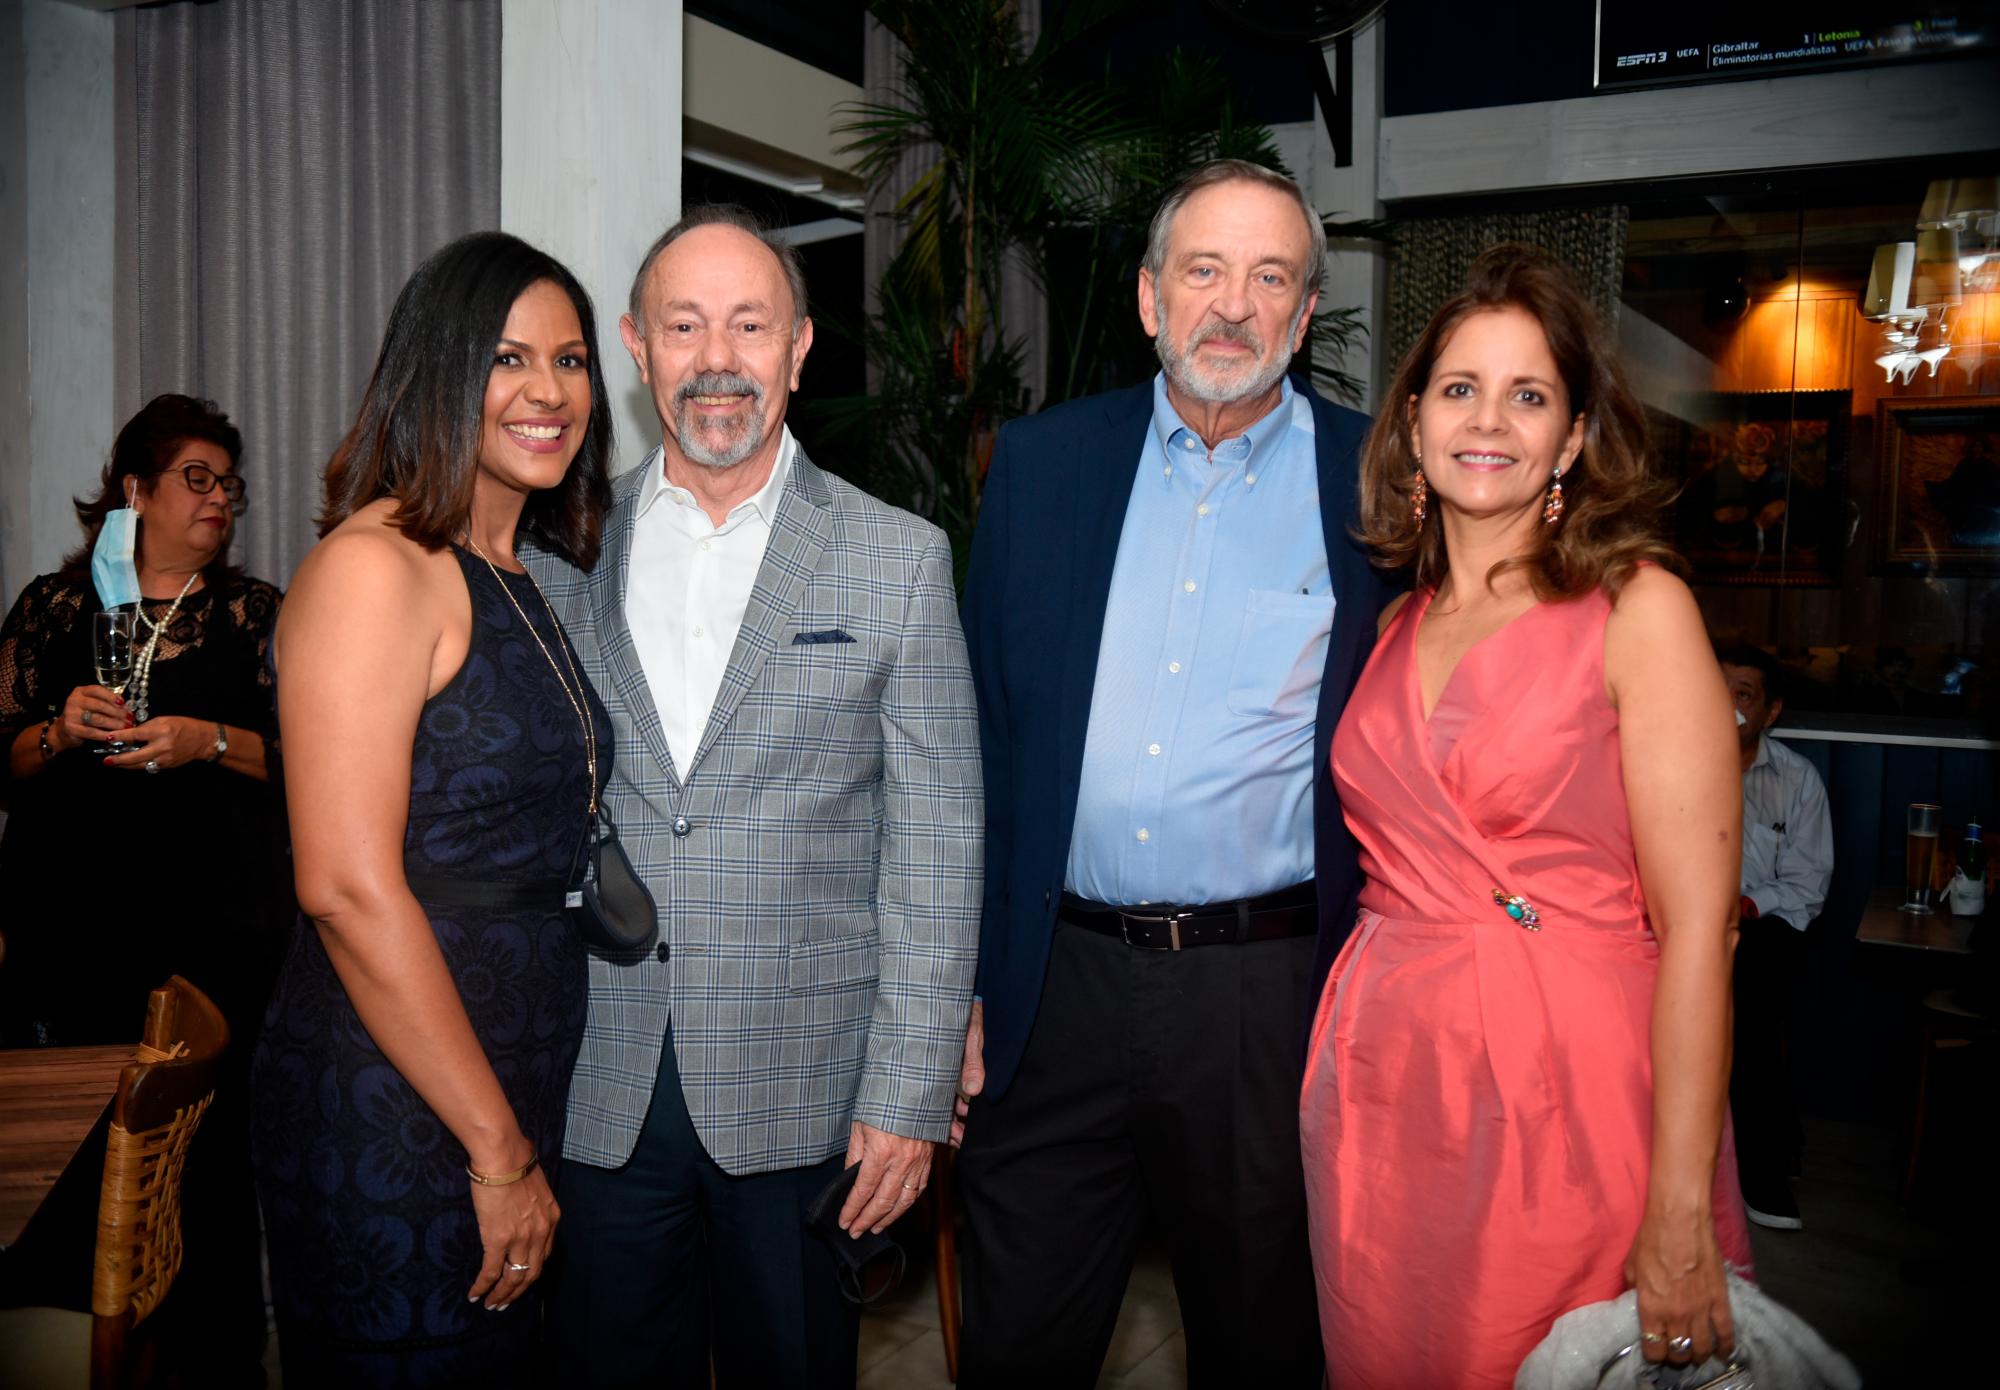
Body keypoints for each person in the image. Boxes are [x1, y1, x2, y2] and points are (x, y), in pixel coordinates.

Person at [522, 204, 980, 1388]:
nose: (715, 357)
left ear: (799, 346)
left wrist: (908, 1093)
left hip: (807, 1089)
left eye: (747, 323)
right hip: (597, 1079)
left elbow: (935, 846)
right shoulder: (560, 550)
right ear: (635, 346)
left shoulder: (896, 557)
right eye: (683, 325)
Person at [953, 159, 1389, 1387]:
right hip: (1051, 993)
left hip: (1260, 999)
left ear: (1304, 317)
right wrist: (962, 986)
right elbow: (977, 740)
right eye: (1202, 270)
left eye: (1268, 279)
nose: (1231, 307)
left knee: (1262, 1340)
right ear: (1150, 297)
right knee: (1015, 1345)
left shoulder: (1377, 488)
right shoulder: (1037, 469)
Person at [1301, 243, 1755, 1388]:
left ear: (1571, 435)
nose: (1486, 419)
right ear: (1410, 425)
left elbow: (1698, 932)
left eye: (1527, 394)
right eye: (1458, 388)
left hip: (1565, 1091)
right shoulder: (1391, 624)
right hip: (1380, 1093)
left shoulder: (1636, 606)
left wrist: (1677, 1209)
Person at [249, 231, 614, 1387]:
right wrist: (496, 1150)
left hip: (499, 1074)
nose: (547, 391)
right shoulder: (379, 565)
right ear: (439, 370)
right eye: (508, 359)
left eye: (569, 359)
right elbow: (347, 888)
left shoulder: (511, 570)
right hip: (398, 1100)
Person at [0, 392, 285, 1381]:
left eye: (228, 483)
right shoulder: (55, 607)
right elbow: (3, 756)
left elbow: (316, 763)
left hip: (211, 952)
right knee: (66, 1186)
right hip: (66, 952)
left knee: (197, 1187)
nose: (219, 501)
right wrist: (56, 731)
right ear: (134, 489)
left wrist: (207, 741)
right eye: (195, 479)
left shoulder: (255, 615)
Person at [1718, 645, 1833, 1231]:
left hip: (1764, 927)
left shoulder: (1797, 778)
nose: (1728, 706)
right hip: (1679, 923)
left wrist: (1744, 905)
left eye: (1743, 695)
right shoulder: (1671, 762)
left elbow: (1807, 886)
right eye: (1718, 690)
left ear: (1772, 711)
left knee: (1747, 984)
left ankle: (1758, 1167)